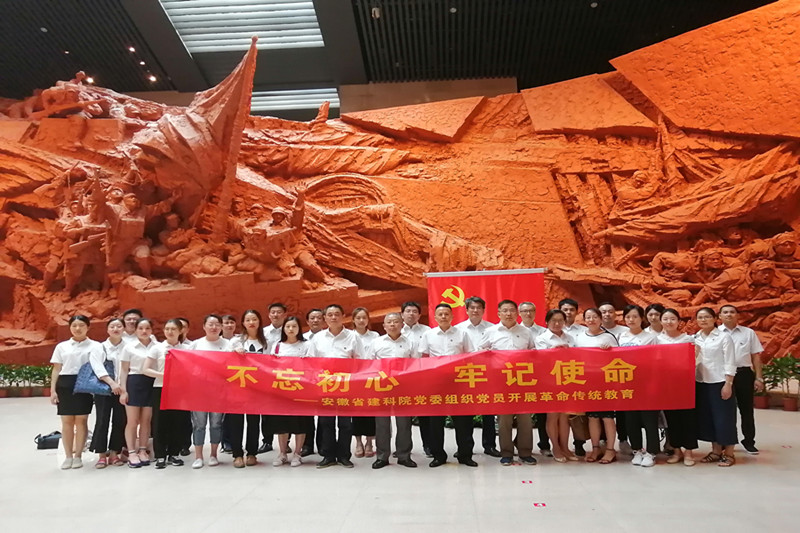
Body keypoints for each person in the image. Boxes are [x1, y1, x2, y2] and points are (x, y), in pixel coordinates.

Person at [478, 300, 538, 466]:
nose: (509, 313)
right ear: (499, 313)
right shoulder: (490, 332)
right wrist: (485, 353)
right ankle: (506, 453)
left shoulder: (526, 332)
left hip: (523, 381)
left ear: (517, 313)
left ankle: (525, 452)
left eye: (512, 310)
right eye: (505, 310)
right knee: (504, 420)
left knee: (525, 418)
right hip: (501, 381)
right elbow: (479, 352)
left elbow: (533, 351)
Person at [420, 304, 477, 467]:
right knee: (435, 422)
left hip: (459, 382)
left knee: (463, 421)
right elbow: (423, 357)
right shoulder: (428, 335)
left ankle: (465, 455)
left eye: (446, 314)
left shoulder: (462, 333)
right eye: (440, 314)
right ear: (435, 317)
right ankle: (438, 455)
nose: (443, 317)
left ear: (452, 316)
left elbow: (470, 356)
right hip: (436, 383)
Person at [50, 315, 110, 470]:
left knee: (81, 421)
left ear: (88, 327)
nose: (78, 328)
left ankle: (78, 456)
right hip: (65, 384)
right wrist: (53, 391)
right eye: (74, 325)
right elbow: (56, 369)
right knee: (66, 422)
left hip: (84, 384)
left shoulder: (95, 345)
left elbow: (99, 365)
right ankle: (68, 456)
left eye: (81, 325)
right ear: (70, 327)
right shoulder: (62, 346)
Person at [308, 304, 364, 468]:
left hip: (346, 386)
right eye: (330, 315)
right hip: (325, 386)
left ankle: (344, 456)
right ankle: (328, 455)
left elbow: (360, 361)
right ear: (325, 318)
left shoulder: (353, 337)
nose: (333, 317)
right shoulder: (318, 338)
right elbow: (311, 361)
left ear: (343, 316)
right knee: (326, 422)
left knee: (345, 424)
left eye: (337, 314)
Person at [370, 313, 420, 469]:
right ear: (384, 326)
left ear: (402, 324)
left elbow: (416, 364)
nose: (392, 324)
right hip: (381, 387)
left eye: (396, 321)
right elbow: (368, 364)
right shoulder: (376, 342)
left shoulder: (410, 342)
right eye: (389, 322)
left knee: (404, 423)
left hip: (403, 387)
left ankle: (404, 456)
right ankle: (382, 456)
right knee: (382, 423)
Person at [573, 308, 619, 464]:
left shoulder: (608, 337)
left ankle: (610, 450)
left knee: (607, 417)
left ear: (600, 319)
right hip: (588, 382)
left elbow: (619, 359)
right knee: (592, 417)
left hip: (606, 382)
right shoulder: (579, 337)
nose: (591, 320)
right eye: (588, 317)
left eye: (594, 317)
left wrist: (609, 351)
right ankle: (595, 448)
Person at [456, 296, 500, 458]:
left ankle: (490, 445)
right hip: (465, 374)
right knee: (465, 413)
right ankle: (465, 447)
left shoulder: (492, 328)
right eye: (472, 308)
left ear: (483, 310)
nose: (475, 310)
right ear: (466, 310)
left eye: (478, 308)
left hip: (488, 374)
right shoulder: (458, 329)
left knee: (488, 412)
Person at [694, 307, 738, 467]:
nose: (703, 320)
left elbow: (730, 361)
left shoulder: (724, 337)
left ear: (714, 319)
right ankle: (716, 451)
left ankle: (730, 454)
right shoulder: (695, 338)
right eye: (700, 317)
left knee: (724, 418)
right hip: (701, 383)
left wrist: (728, 384)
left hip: (720, 382)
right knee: (709, 418)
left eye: (707, 317)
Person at [718, 304, 764, 455]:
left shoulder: (748, 333)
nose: (729, 315)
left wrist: (759, 377)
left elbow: (756, 356)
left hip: (744, 374)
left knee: (746, 410)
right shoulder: (715, 333)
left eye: (732, 312)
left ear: (737, 315)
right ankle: (725, 441)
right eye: (725, 312)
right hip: (722, 376)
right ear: (719, 316)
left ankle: (749, 441)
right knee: (725, 411)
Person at [619, 305, 659, 467]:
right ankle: (637, 450)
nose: (631, 320)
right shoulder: (621, 337)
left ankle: (651, 452)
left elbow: (656, 361)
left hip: (646, 382)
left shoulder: (650, 337)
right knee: (631, 419)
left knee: (649, 419)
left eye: (635, 316)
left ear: (641, 318)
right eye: (628, 317)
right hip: (628, 384)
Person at [657, 308, 699, 466]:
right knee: (671, 419)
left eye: (672, 319)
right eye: (665, 319)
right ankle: (676, 451)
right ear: (661, 321)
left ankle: (689, 453)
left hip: (685, 384)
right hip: (666, 385)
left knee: (688, 418)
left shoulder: (688, 339)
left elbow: (696, 359)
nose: (669, 322)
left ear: (679, 322)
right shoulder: (657, 340)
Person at [534, 309, 577, 462]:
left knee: (565, 416)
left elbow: (578, 357)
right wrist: (553, 351)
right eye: (553, 320)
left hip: (567, 380)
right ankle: (556, 447)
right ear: (547, 322)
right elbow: (541, 359)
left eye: (560, 320)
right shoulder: (541, 339)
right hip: (549, 381)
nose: (557, 323)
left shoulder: (570, 338)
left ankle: (565, 447)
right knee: (552, 415)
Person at [143, 319, 186, 469]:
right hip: (160, 387)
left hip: (179, 389)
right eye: (167, 329)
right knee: (160, 421)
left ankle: (174, 453)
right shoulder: (157, 348)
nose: (170, 332)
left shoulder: (186, 349)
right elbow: (145, 369)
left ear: (180, 331)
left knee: (177, 421)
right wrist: (164, 375)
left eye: (173, 329)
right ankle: (160, 455)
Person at [270, 316, 313, 468]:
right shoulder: (277, 345)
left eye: (294, 326)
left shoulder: (307, 345)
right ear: (283, 329)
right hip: (282, 390)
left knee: (300, 423)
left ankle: (297, 453)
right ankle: (282, 453)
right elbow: (271, 366)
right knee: (282, 423)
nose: (290, 329)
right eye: (288, 326)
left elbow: (312, 366)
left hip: (301, 391)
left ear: (299, 328)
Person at [189, 314, 231, 468]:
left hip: (219, 391)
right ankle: (198, 456)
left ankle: (214, 454)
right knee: (199, 424)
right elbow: (185, 362)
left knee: (216, 424)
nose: (214, 327)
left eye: (217, 324)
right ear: (204, 326)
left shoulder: (228, 344)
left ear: (221, 327)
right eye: (210, 324)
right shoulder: (196, 344)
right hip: (198, 391)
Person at [229, 309, 268, 467]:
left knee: (254, 421)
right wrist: (234, 353)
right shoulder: (236, 341)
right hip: (237, 387)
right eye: (248, 320)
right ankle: (237, 455)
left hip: (257, 389)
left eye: (254, 319)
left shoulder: (266, 342)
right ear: (243, 323)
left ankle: (252, 453)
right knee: (236, 422)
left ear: (259, 322)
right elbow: (225, 362)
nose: (251, 322)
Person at [119, 318, 159, 468]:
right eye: (141, 328)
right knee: (132, 421)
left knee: (146, 420)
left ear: (151, 330)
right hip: (134, 383)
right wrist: (123, 391)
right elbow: (124, 370)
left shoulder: (157, 346)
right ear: (135, 330)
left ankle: (143, 450)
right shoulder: (129, 347)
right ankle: (131, 452)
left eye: (147, 328)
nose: (144, 331)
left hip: (151, 383)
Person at [89, 318, 127, 468]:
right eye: (112, 326)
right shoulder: (100, 348)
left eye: (119, 326)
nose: (115, 329)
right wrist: (112, 383)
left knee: (120, 421)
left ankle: (114, 453)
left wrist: (122, 387)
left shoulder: (128, 347)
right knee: (102, 420)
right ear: (107, 330)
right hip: (103, 389)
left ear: (124, 329)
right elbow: (97, 367)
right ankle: (101, 454)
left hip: (122, 389)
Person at [598, 302, 631, 455]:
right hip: (601, 377)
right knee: (603, 411)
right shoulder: (592, 331)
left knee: (623, 410)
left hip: (622, 375)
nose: (607, 314)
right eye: (603, 312)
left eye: (610, 311)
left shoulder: (625, 331)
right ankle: (603, 440)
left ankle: (624, 439)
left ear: (615, 314)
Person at [519, 301, 549, 456]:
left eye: (531, 310)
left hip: (541, 376)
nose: (528, 314)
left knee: (542, 412)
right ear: (519, 313)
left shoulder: (544, 331)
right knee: (521, 413)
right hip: (520, 377)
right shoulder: (515, 330)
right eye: (524, 311)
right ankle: (518, 443)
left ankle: (544, 444)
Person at [559, 298, 587, 457]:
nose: (568, 312)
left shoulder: (583, 331)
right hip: (558, 376)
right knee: (560, 414)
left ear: (577, 312)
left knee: (577, 413)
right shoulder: (553, 329)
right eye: (565, 309)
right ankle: (560, 445)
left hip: (578, 375)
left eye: (571, 310)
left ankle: (579, 443)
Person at [259, 302, 287, 454]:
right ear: (269, 315)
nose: (276, 315)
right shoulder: (263, 332)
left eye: (279, 312)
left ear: (285, 314)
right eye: (273, 312)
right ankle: (267, 441)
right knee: (266, 410)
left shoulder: (290, 330)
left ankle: (286, 442)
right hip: (266, 374)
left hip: (285, 375)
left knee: (285, 408)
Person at [352, 307, 379, 458]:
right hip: (355, 379)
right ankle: (358, 442)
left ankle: (369, 442)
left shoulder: (375, 336)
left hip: (371, 378)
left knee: (371, 411)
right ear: (353, 320)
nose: (361, 321)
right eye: (358, 318)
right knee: (356, 411)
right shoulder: (349, 336)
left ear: (368, 320)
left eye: (364, 318)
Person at [300, 307, 325, 457]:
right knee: (306, 415)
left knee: (323, 415)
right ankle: (307, 445)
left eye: (318, 318)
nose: (315, 320)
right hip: (306, 381)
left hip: (324, 380)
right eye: (312, 318)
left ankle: (322, 445)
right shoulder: (302, 338)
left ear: (323, 320)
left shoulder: (327, 337)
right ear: (307, 321)